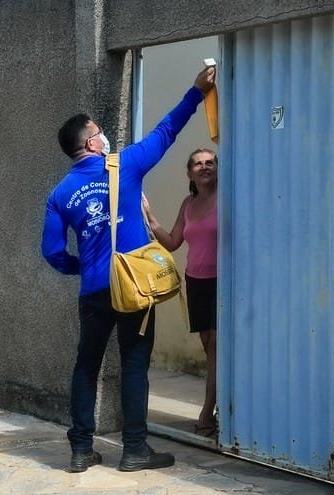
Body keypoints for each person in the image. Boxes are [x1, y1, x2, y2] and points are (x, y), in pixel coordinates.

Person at [41, 66, 216, 473]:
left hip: (94, 292)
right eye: (100, 131)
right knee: (134, 364)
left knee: (86, 366)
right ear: (91, 142)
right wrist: (195, 91)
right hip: (134, 288)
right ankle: (135, 449)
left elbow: (51, 252)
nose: (105, 136)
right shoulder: (126, 164)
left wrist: (83, 268)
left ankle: (81, 450)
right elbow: (166, 131)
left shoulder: (60, 192)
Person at [142, 148, 218, 437]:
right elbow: (173, 242)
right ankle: (216, 405)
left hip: (221, 281)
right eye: (198, 164)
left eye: (210, 162)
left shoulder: (228, 198)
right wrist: (150, 217)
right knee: (208, 345)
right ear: (189, 173)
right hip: (196, 281)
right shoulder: (188, 203)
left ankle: (207, 410)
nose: (204, 167)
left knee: (215, 346)